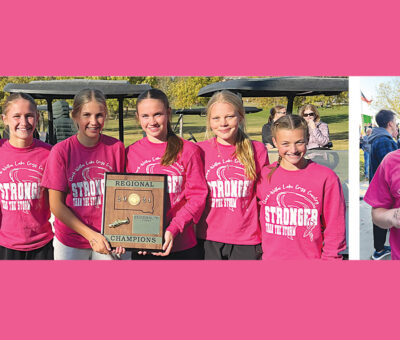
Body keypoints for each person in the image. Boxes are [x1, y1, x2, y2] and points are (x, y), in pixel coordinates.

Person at [41, 89, 125, 260]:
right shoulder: (61, 151)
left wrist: (124, 233)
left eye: (99, 115)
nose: (93, 122)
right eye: (86, 115)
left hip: (109, 238)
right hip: (71, 241)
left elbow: (123, 196)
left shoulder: (116, 148)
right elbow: (56, 205)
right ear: (75, 116)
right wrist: (91, 235)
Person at [126, 89, 208, 259]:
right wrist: (133, 235)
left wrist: (174, 228)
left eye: (158, 114)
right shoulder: (130, 153)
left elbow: (197, 196)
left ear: (168, 113)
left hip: (182, 244)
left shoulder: (189, 150)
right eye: (145, 116)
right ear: (138, 117)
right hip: (143, 245)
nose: (152, 121)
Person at [257, 114, 346, 260]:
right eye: (285, 144)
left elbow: (335, 229)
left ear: (307, 140)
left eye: (299, 142)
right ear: (275, 142)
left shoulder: (326, 178)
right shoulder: (264, 175)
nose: (293, 149)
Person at [196, 90, 268, 260]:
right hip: (208, 238)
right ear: (209, 121)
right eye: (216, 118)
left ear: (240, 117)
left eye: (229, 116)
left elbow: (264, 197)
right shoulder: (199, 150)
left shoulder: (257, 150)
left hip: (247, 240)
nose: (223, 123)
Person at [0, 93, 53, 260]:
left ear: (37, 118)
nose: (23, 122)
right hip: (5, 244)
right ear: (5, 119)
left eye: (29, 116)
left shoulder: (50, 153)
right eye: (16, 116)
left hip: (42, 245)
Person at [366, 109, 398, 260]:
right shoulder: (385, 141)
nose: (397, 128)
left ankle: (378, 248)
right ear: (391, 124)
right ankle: (379, 249)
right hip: (382, 188)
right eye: (396, 124)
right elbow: (393, 171)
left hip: (377, 184)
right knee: (382, 214)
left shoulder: (377, 137)